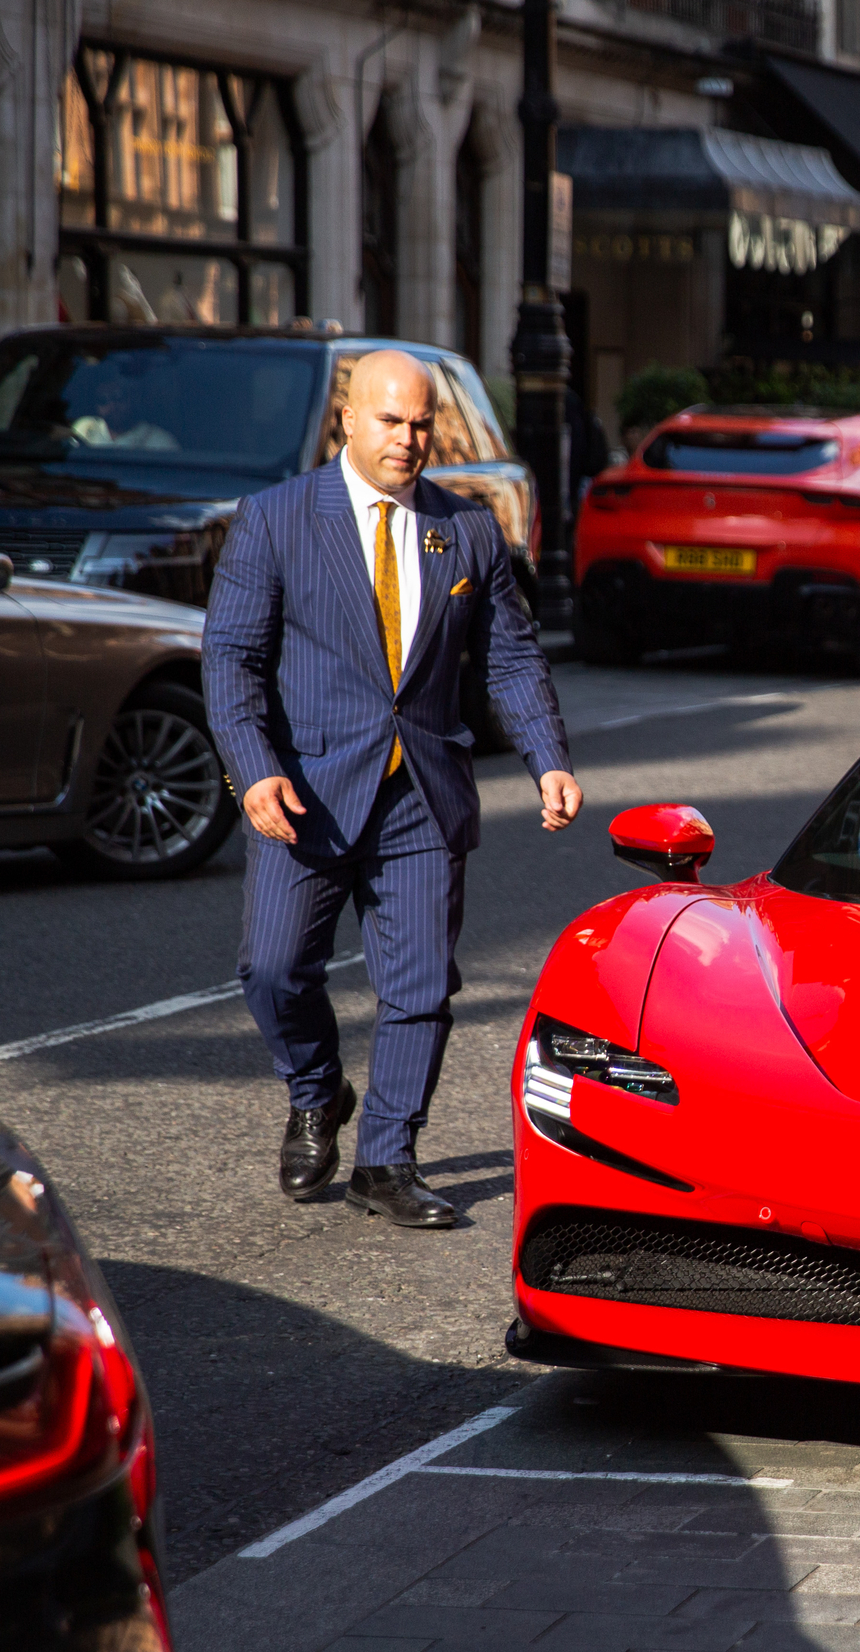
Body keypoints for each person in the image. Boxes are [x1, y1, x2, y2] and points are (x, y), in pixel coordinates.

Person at [204, 349, 582, 1227]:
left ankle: (386, 1158)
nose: (409, 440)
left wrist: (546, 756)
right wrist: (253, 769)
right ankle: (316, 1088)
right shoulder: (275, 520)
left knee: (418, 986)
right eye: (390, 421)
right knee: (272, 969)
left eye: (421, 425)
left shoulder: (469, 528)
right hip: (306, 789)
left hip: (424, 789)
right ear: (348, 417)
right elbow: (231, 658)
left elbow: (512, 656)